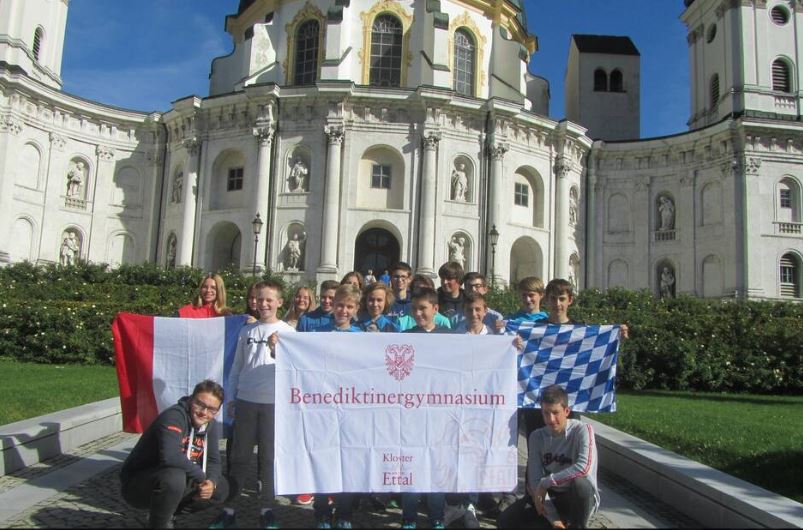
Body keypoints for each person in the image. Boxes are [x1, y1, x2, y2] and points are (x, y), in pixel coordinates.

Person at [210, 281, 295, 529]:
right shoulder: (246, 331)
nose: (264, 304)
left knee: (268, 458)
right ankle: (228, 509)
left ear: (280, 302)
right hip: (246, 400)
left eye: (269, 300)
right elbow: (237, 367)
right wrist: (232, 397)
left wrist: (279, 351)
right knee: (239, 458)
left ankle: (267, 508)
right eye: (260, 299)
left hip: (273, 404)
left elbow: (294, 370)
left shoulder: (288, 332)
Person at [120, 379, 230, 529]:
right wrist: (202, 478)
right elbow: (170, 457)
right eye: (200, 404)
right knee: (174, 477)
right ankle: (159, 524)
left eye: (211, 409)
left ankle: (167, 514)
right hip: (138, 483)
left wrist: (210, 482)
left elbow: (213, 460)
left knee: (221, 487)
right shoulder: (174, 416)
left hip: (175, 479)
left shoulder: (209, 424)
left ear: (217, 411)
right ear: (191, 399)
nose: (204, 412)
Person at [497, 384, 599, 529]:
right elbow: (534, 482)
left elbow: (583, 468)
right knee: (505, 521)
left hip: (576, 497)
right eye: (546, 413)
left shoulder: (582, 430)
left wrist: (547, 482)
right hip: (550, 496)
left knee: (580, 483)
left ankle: (578, 525)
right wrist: (553, 519)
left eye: (555, 412)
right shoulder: (537, 436)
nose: (551, 419)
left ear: (567, 411)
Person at [311, 284, 363, 528]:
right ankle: (321, 509)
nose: (344, 310)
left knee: (348, 463)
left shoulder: (362, 337)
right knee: (322, 460)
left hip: (351, 409)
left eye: (349, 306)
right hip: (323, 407)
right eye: (340, 305)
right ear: (333, 306)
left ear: (356, 309)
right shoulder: (318, 333)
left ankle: (344, 512)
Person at [401, 287, 450, 528]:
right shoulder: (406, 336)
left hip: (439, 412)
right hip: (412, 413)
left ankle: (436, 515)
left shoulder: (451, 337)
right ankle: (408, 516)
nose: (418, 313)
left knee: (436, 465)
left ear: (435, 309)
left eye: (423, 308)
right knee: (410, 463)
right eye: (414, 309)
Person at [437, 261, 466, 328]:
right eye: (442, 278)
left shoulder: (468, 299)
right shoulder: (434, 298)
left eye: (449, 279)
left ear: (458, 279)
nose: (445, 282)